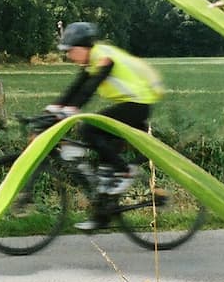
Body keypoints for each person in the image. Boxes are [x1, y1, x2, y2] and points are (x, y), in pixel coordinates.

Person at [48, 21, 165, 231]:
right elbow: (76, 87)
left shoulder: (103, 58)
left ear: (83, 47)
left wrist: (72, 109)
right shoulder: (91, 60)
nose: (69, 56)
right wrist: (54, 107)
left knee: (88, 128)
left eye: (71, 51)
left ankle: (124, 171)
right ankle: (103, 213)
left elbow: (89, 89)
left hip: (138, 104)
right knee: (103, 165)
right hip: (130, 104)